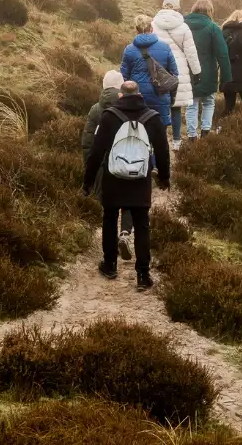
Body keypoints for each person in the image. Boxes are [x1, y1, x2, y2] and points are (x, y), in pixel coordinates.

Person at [82, 80, 170, 289]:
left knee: (110, 218)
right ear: (139, 94)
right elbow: (162, 151)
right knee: (141, 224)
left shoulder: (109, 117)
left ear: (120, 96)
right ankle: (142, 275)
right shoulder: (153, 118)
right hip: (140, 179)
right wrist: (164, 177)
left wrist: (88, 181)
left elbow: (96, 152)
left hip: (113, 177)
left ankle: (110, 265)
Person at [82, 70, 135, 261]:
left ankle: (110, 254)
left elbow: (88, 142)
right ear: (121, 86)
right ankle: (126, 234)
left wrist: (90, 169)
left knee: (108, 209)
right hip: (128, 162)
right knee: (128, 200)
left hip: (105, 166)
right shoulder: (131, 108)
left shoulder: (96, 109)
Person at [153, 0, 201, 151]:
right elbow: (191, 52)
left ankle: (158, 141)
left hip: (157, 69)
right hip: (178, 70)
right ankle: (177, 141)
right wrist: (197, 71)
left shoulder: (153, 24)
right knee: (176, 107)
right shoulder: (183, 27)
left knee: (158, 107)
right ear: (177, 8)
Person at [121, 15, 179, 131]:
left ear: (136, 30)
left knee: (139, 134)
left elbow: (123, 77)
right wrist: (171, 98)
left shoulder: (129, 49)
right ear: (151, 28)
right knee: (160, 140)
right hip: (160, 97)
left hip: (137, 98)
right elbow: (174, 74)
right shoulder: (165, 47)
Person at [184, 0, 232, 138]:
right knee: (208, 102)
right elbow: (222, 54)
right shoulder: (213, 28)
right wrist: (226, 77)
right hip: (208, 72)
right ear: (210, 11)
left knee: (191, 104)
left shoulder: (183, 25)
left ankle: (191, 136)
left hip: (188, 72)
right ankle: (205, 133)